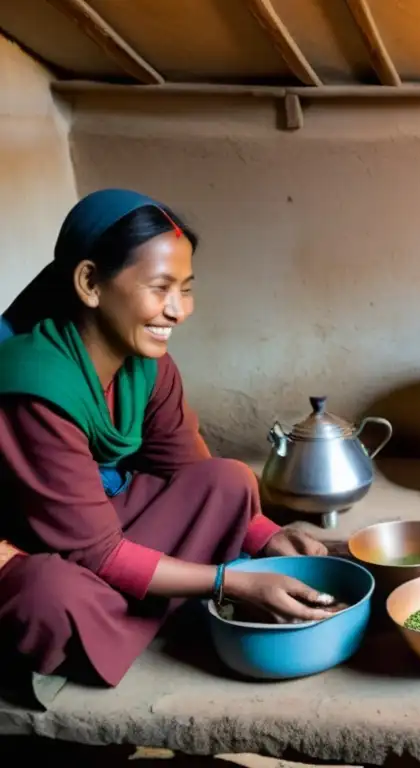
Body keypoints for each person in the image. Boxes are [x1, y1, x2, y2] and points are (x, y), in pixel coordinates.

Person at [0, 189, 336, 706]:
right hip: (36, 546)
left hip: (97, 529)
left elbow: (193, 473)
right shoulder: (34, 384)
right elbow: (96, 550)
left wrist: (269, 538)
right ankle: (149, 608)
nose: (177, 311)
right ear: (89, 282)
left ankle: (137, 613)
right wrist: (232, 582)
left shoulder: (148, 365)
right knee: (49, 597)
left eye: (186, 288)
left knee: (228, 479)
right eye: (160, 288)